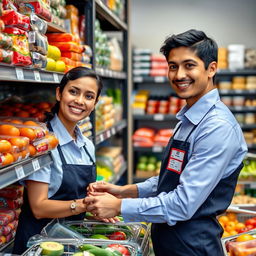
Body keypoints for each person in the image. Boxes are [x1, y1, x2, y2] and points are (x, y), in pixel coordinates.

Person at [85, 29, 248, 256]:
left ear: (211, 69)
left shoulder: (216, 127)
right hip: (172, 242)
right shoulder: (188, 118)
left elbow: (182, 203)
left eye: (189, 65)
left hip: (193, 246)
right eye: (173, 66)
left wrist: (119, 206)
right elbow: (172, 178)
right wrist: (124, 191)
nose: (179, 74)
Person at [13, 67, 103, 254]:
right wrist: (83, 205)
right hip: (38, 244)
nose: (79, 101)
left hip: (70, 238)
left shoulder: (87, 145)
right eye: (73, 91)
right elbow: (39, 207)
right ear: (59, 93)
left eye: (89, 96)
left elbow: (83, 191)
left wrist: (99, 204)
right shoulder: (43, 143)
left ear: (95, 103)